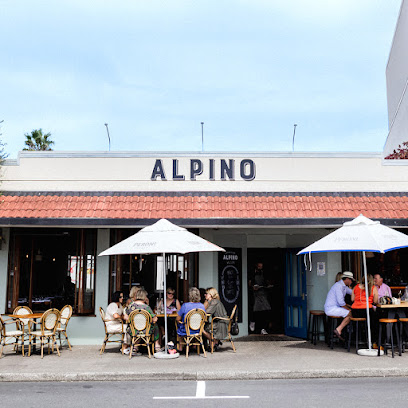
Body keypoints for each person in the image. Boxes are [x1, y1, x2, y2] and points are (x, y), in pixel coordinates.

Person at [124, 288, 161, 354]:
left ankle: (135, 346)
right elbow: (154, 319)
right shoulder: (146, 307)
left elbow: (125, 317)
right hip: (145, 330)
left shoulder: (130, 306)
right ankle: (157, 346)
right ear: (144, 297)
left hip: (133, 330)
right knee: (155, 326)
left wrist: (133, 321)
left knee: (138, 328)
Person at [324, 271, 354, 341]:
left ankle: (340, 331)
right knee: (350, 313)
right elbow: (341, 303)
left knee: (350, 313)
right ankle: (338, 329)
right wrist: (348, 309)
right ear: (347, 279)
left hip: (335, 308)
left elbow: (352, 292)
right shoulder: (338, 286)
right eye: (351, 280)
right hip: (331, 309)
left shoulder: (343, 286)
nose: (351, 281)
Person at [351, 274, 379, 342]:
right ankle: (372, 340)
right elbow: (375, 301)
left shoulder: (356, 287)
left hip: (355, 311)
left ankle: (358, 337)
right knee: (375, 321)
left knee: (360, 323)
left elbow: (352, 299)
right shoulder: (373, 288)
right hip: (366, 310)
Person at [248, 262, 272, 334]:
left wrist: (268, 285)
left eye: (261, 266)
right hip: (255, 294)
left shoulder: (264, 273)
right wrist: (252, 287)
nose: (260, 268)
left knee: (266, 310)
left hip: (263, 293)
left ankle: (263, 328)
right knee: (255, 310)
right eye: (259, 266)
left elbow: (267, 282)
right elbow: (249, 284)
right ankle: (252, 322)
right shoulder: (252, 273)